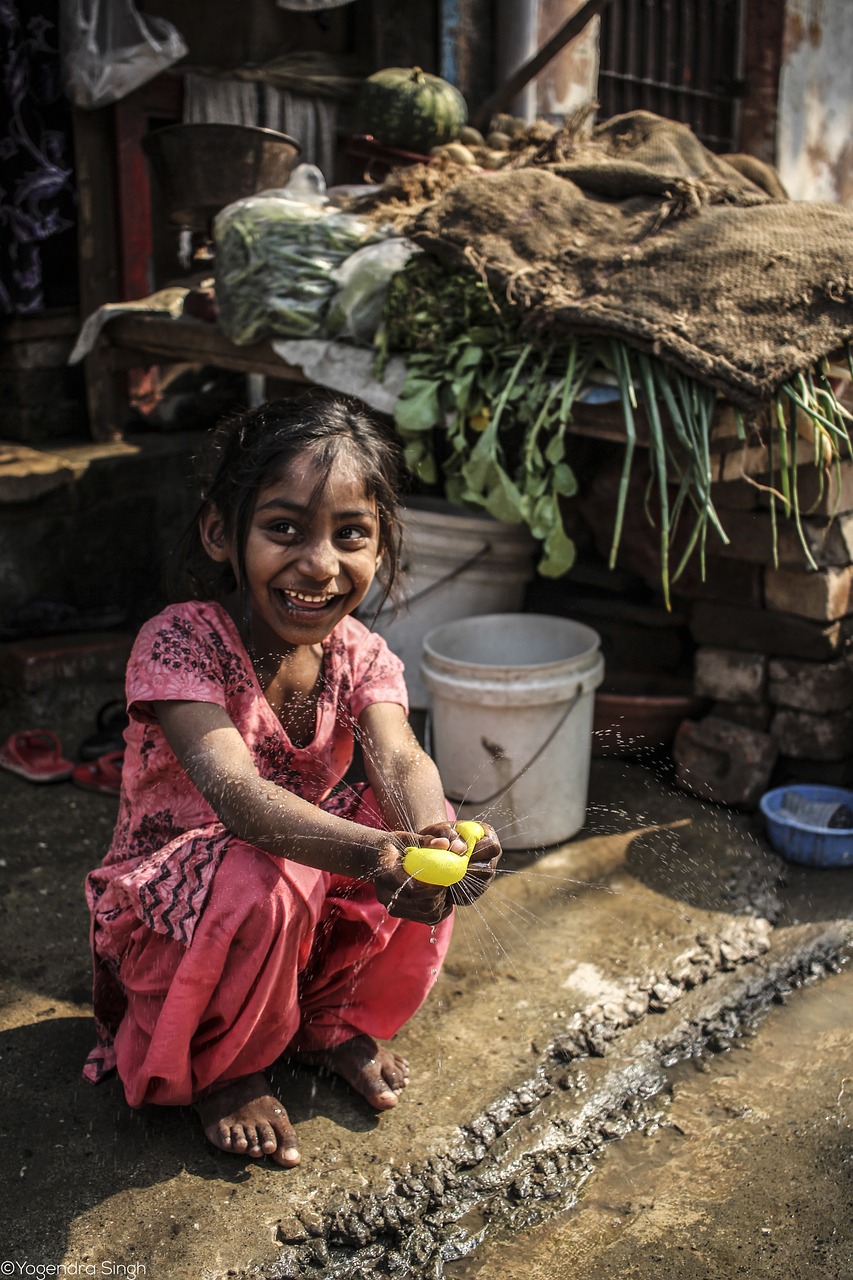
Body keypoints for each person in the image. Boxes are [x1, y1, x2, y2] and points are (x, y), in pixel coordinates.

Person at [83, 391, 501, 1167]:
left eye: (351, 534)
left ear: (382, 545)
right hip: (178, 920)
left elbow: (399, 758)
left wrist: (436, 841)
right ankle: (225, 1067)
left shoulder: (361, 654)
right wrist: (378, 854)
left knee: (417, 815)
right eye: (284, 529)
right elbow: (240, 798)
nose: (319, 564)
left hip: (290, 891)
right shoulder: (182, 643)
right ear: (221, 533)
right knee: (262, 874)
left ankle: (327, 1022)